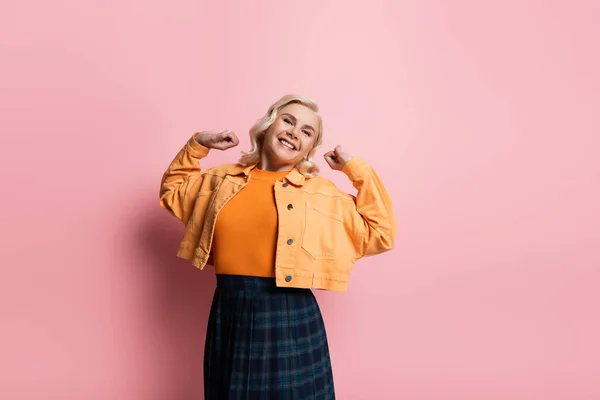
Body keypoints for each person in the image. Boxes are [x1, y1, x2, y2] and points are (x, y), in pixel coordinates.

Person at [159, 94, 396, 399]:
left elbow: (381, 231)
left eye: (307, 132)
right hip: (230, 311)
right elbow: (172, 191)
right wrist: (198, 144)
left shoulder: (320, 194)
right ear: (268, 125)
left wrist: (357, 170)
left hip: (289, 315)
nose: (294, 132)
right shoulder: (222, 180)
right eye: (288, 120)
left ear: (310, 148)